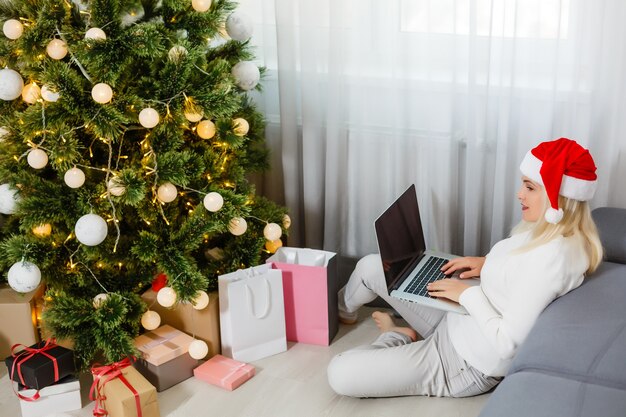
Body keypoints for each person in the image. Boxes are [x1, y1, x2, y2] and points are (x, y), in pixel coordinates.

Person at [327, 138, 604, 398]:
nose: (520, 194)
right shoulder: (552, 231)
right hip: (457, 318)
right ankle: (342, 312)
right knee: (372, 266)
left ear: (559, 198)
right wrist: (484, 265)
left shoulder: (552, 258)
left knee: (339, 373)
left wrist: (465, 295)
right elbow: (519, 276)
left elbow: (508, 343)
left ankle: (395, 336)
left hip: (463, 362)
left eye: (530, 187)